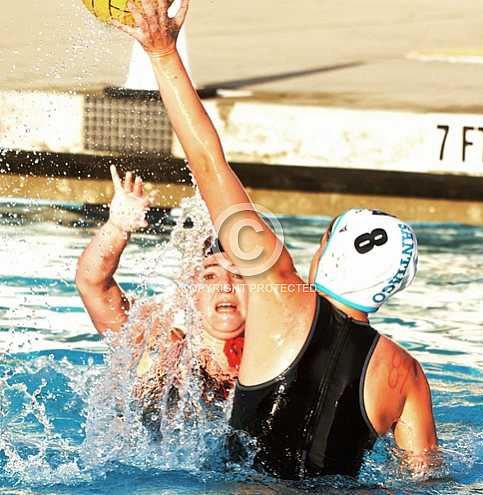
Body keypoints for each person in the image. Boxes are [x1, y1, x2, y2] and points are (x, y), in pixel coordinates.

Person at [113, 0, 438, 479]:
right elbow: (426, 477)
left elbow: (208, 163)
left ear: (327, 254)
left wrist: (163, 54)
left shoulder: (275, 286)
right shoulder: (405, 374)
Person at [75, 166, 247, 432]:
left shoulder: (274, 350)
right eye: (211, 277)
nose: (225, 287)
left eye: (239, 277)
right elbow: (93, 284)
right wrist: (117, 227)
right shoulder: (157, 342)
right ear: (192, 289)